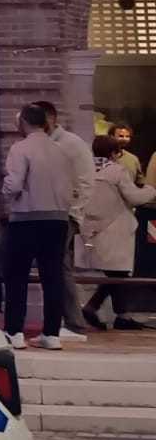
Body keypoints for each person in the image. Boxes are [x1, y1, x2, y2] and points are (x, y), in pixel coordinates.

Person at [3, 104, 74, 350]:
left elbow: (14, 184)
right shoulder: (61, 150)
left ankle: (14, 331)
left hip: (26, 218)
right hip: (58, 218)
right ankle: (52, 333)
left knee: (17, 276)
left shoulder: (20, 148)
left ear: (23, 122)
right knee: (53, 277)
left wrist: (7, 191)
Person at [35, 101, 97, 340]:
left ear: (49, 119)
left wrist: (72, 213)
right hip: (48, 213)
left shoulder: (71, 144)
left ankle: (73, 323)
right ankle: (66, 320)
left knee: (57, 266)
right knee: (55, 266)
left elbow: (85, 182)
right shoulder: (43, 143)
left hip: (64, 214)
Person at [82, 134, 153, 331]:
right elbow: (134, 197)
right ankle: (95, 308)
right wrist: (150, 190)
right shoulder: (116, 171)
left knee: (114, 274)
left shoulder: (86, 171)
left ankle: (119, 315)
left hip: (94, 228)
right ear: (114, 153)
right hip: (116, 228)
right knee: (118, 274)